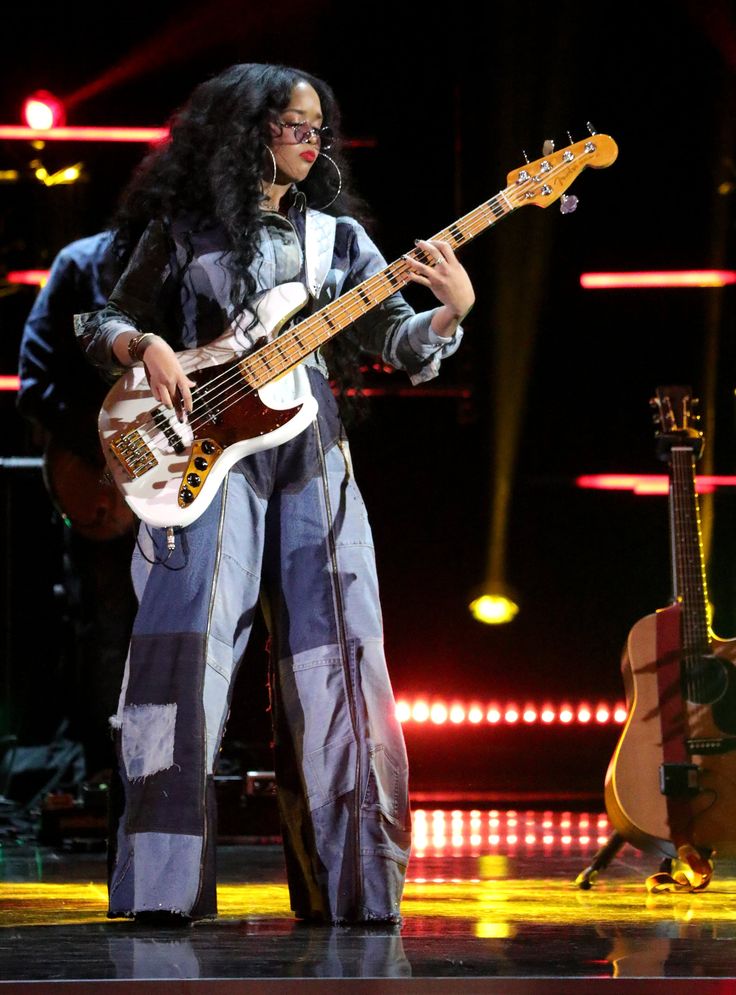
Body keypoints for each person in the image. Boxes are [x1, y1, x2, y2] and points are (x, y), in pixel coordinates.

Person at [76, 63, 475, 925]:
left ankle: (362, 888)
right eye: (297, 124)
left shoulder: (337, 241)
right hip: (199, 455)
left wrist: (445, 314)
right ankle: (160, 889)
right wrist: (143, 345)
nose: (312, 141)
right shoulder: (182, 228)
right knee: (181, 659)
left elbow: (395, 340)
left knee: (344, 655)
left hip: (311, 451)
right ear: (251, 128)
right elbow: (98, 317)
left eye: (320, 128)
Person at [17, 232, 137, 779]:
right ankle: (109, 776)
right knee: (107, 627)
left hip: (191, 477)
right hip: (101, 482)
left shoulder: (205, 256)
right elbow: (35, 382)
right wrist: (107, 450)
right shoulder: (80, 263)